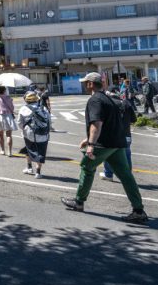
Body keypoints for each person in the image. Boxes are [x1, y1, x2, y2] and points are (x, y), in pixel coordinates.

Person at [61, 72, 148, 223]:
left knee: (87, 168)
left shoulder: (95, 100)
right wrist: (87, 138)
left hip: (103, 144)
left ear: (90, 84)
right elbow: (110, 124)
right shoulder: (109, 99)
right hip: (118, 143)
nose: (84, 85)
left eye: (85, 82)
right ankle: (138, 210)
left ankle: (79, 202)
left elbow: (97, 124)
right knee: (126, 176)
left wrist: (91, 144)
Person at [101, 88, 137, 182]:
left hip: (112, 135)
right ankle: (127, 176)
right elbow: (134, 119)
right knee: (127, 155)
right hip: (126, 135)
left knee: (108, 155)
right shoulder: (126, 104)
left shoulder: (108, 104)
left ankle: (108, 174)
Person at [17, 90, 50, 178]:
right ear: (36, 99)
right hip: (43, 134)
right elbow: (49, 121)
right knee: (40, 152)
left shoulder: (23, 108)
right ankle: (38, 173)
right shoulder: (43, 108)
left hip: (29, 134)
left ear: (26, 100)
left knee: (28, 149)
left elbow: (20, 123)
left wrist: (24, 129)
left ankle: (29, 168)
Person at [0, 85, 17, 157]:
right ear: (4, 90)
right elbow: (12, 109)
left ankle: (3, 150)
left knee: (0, 135)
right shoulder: (9, 98)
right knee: (9, 135)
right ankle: (10, 152)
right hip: (8, 116)